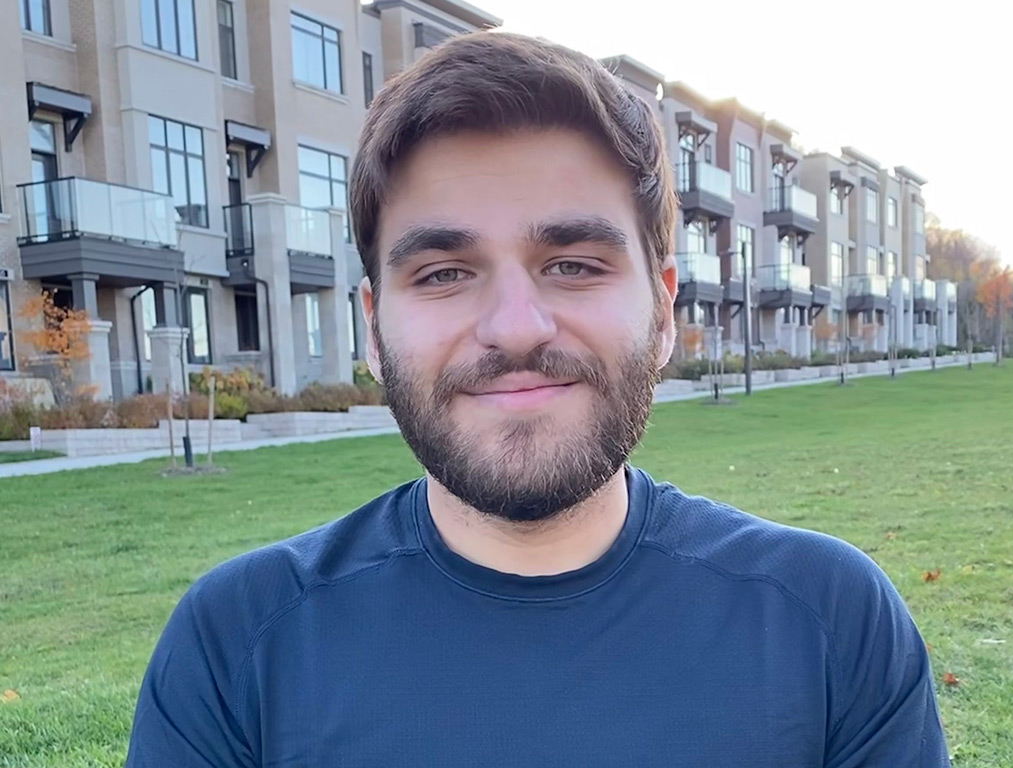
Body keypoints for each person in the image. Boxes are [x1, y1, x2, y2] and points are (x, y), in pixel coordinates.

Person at [125, 32, 949, 767]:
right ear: (374, 331)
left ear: (663, 311)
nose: (515, 329)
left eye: (574, 264)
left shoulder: (829, 623)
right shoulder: (238, 646)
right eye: (444, 273)